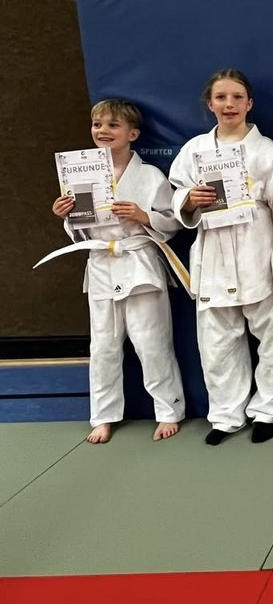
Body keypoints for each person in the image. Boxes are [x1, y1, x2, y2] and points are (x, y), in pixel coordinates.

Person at [169, 69, 273, 445]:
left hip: (258, 251)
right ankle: (226, 415)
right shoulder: (194, 150)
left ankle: (268, 411)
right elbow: (175, 195)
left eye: (236, 97)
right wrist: (188, 200)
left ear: (249, 104)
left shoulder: (266, 150)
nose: (229, 104)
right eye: (221, 97)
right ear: (210, 104)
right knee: (217, 342)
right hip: (214, 253)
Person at [50, 100, 186, 444]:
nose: (103, 131)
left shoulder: (150, 176)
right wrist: (66, 216)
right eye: (98, 124)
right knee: (103, 346)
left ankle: (168, 409)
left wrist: (144, 216)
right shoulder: (79, 175)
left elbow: (172, 221)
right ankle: (104, 416)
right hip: (101, 264)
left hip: (139, 263)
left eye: (113, 125)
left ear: (133, 134)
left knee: (151, 342)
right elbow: (80, 230)